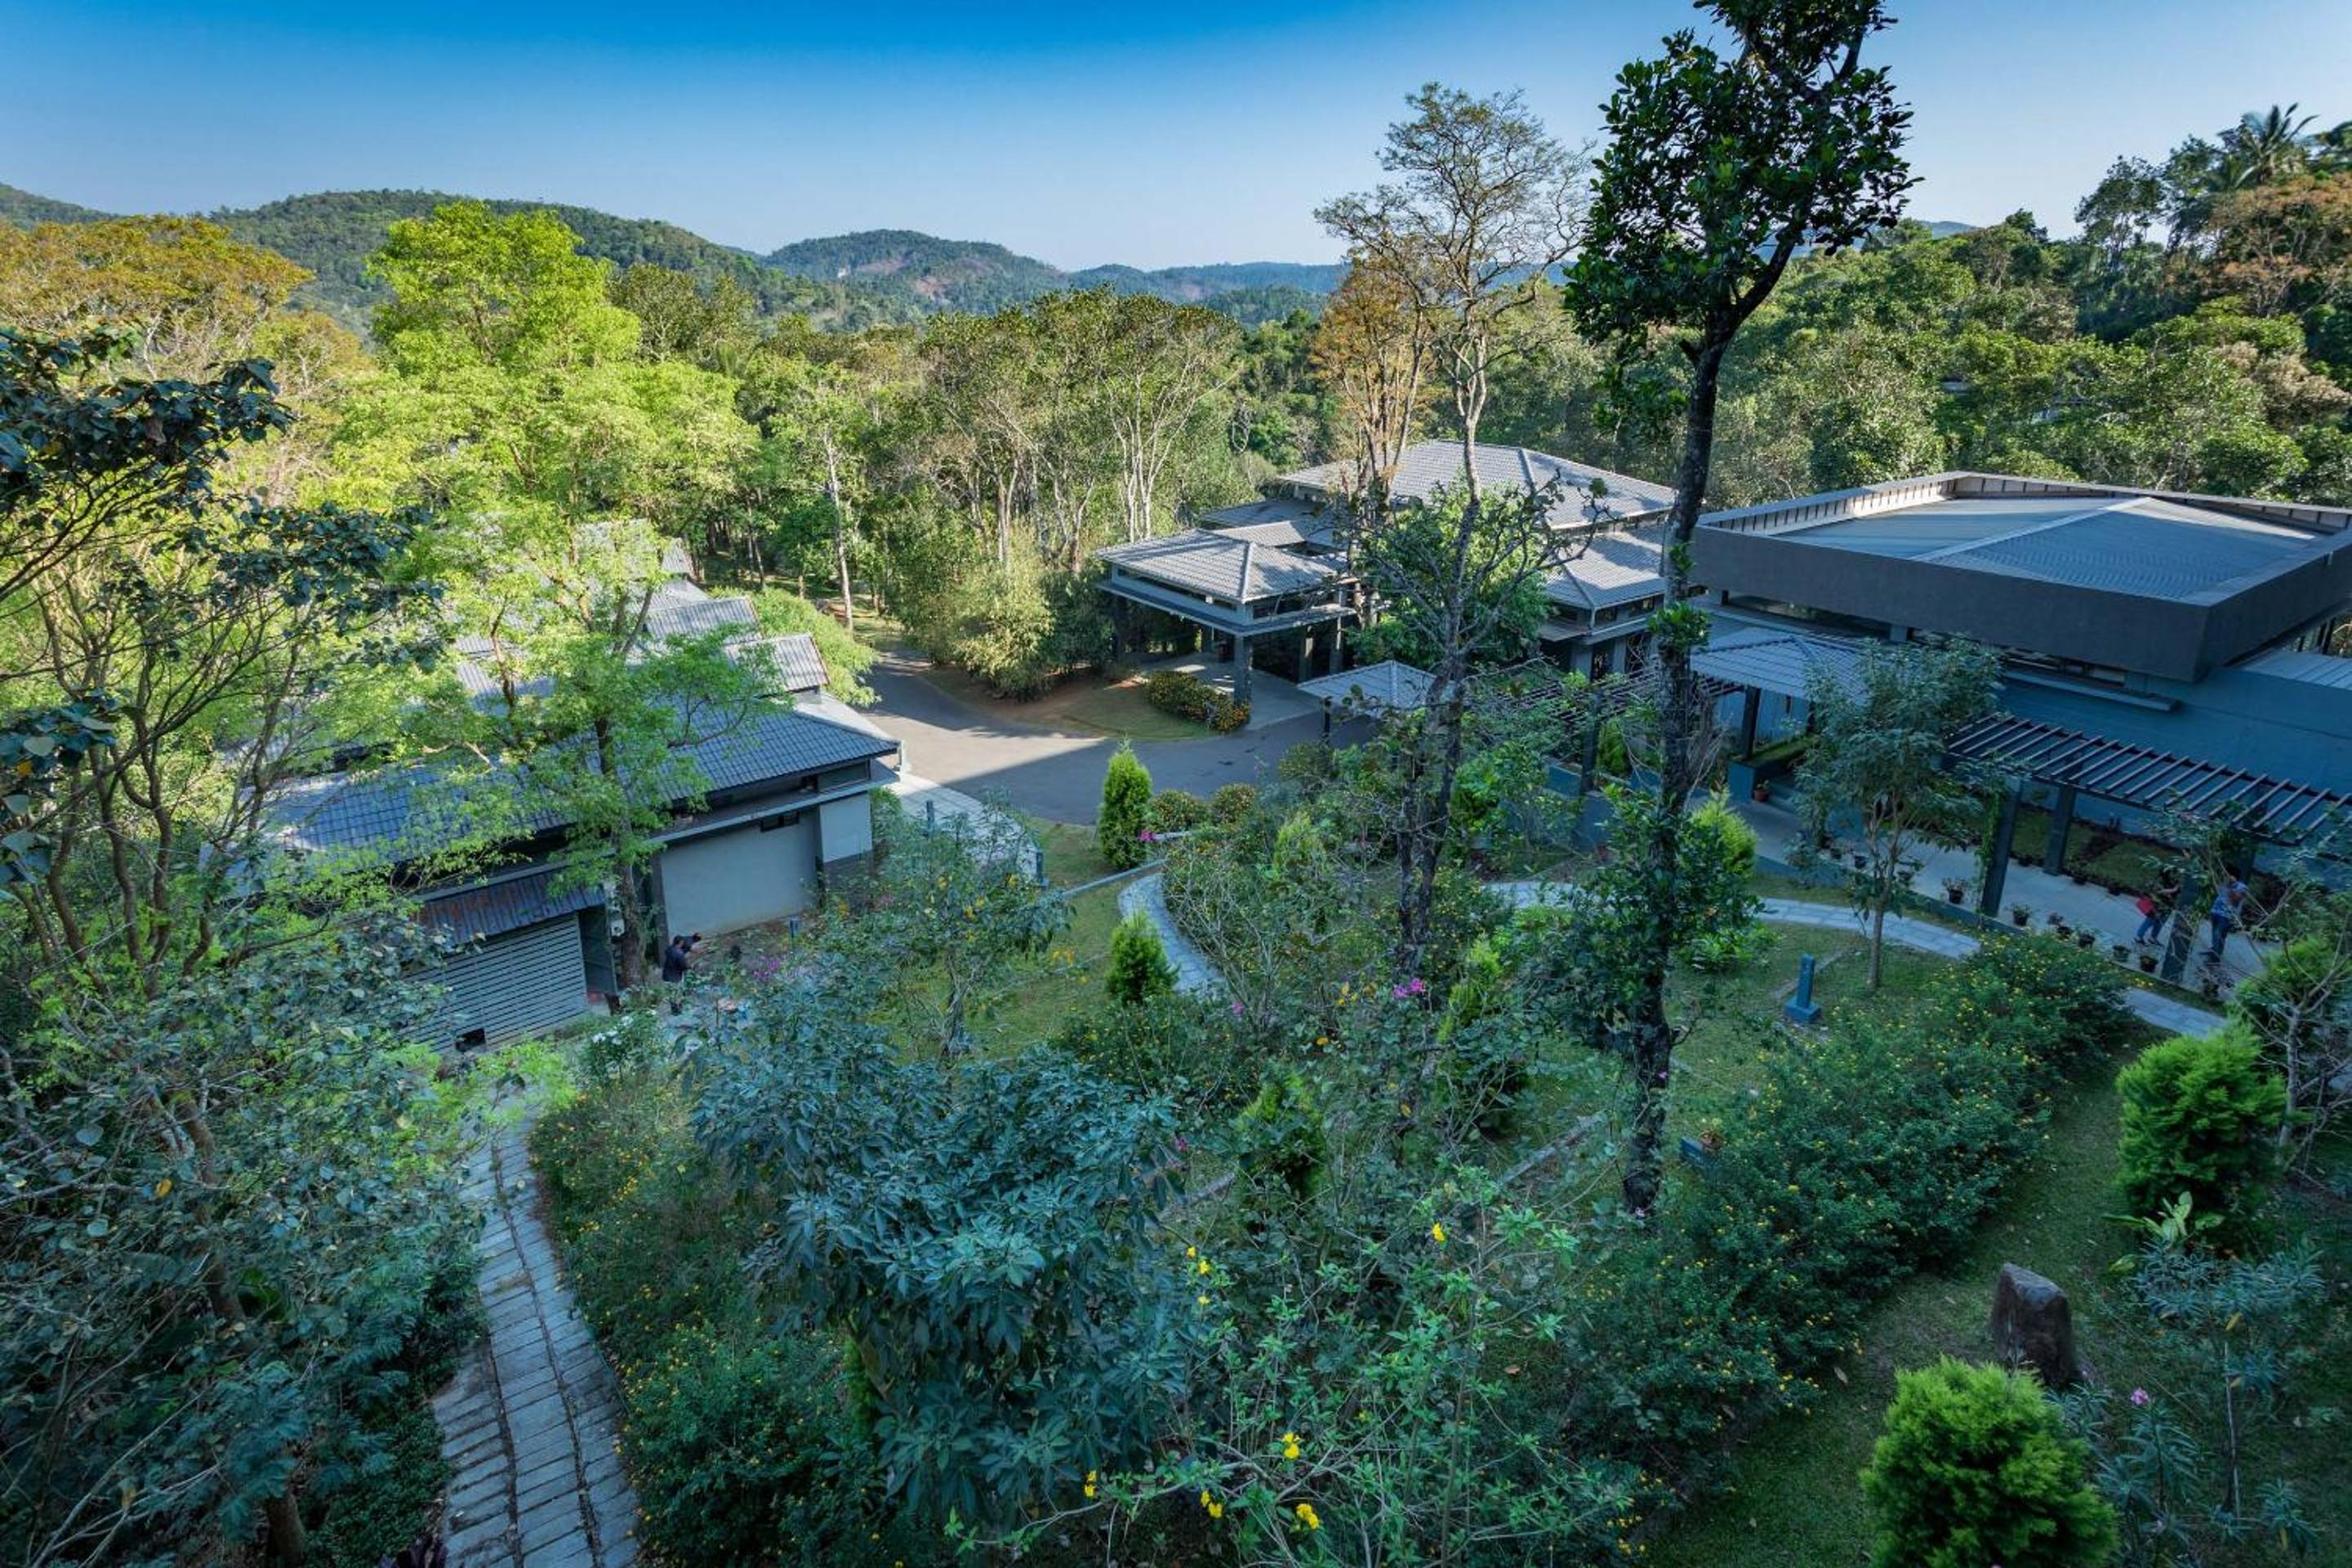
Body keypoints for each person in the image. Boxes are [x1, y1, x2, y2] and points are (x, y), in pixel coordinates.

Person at [2206, 875, 2248, 962]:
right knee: (2217, 932)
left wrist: (2232, 889)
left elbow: (2238, 898)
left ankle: (2216, 954)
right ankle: (2215, 951)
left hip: (2227, 915)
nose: (2228, 878)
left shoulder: (2241, 887)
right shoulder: (2224, 884)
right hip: (2216, 911)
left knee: (2218, 933)